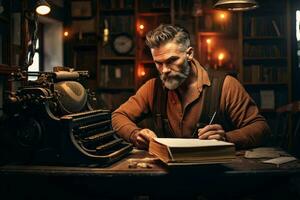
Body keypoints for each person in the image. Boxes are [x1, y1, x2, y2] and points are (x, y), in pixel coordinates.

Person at [112, 24, 270, 150]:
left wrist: (227, 138)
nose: (165, 70)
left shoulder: (225, 86)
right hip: (168, 177)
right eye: (158, 63)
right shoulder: (153, 88)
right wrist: (135, 134)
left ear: (189, 54)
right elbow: (118, 116)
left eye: (172, 60)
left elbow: (261, 128)